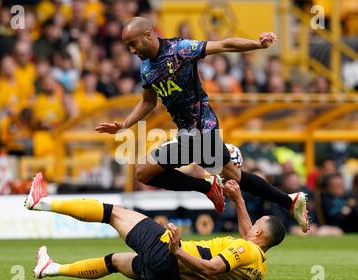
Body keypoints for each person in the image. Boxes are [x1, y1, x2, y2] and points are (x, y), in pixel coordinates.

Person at [94, 17, 309, 232]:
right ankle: (289, 201)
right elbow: (148, 101)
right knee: (233, 175)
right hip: (187, 132)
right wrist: (124, 125)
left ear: (149, 35)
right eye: (127, 45)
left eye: (133, 43)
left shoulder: (180, 49)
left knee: (144, 172)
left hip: (201, 128)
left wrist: (257, 44)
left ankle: (211, 186)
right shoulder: (146, 69)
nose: (131, 50)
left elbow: (224, 45)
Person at [26, 173, 286, 280]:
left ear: (259, 233)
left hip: (169, 253)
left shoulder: (245, 247)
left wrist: (176, 250)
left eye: (257, 223)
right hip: (168, 275)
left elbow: (212, 267)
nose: (252, 225)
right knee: (114, 261)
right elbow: (241, 243)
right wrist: (239, 200)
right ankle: (51, 269)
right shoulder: (258, 268)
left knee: (114, 212)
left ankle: (42, 203)